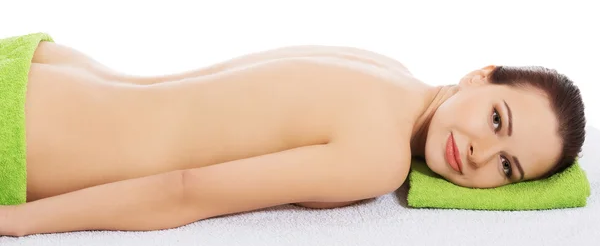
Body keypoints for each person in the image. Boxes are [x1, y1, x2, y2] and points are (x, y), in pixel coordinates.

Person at [0, 40, 586, 237]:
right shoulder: (378, 159)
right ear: (479, 76)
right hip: (36, 135)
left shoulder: (381, 64)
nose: (482, 155)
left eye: (508, 169)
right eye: (497, 120)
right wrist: (17, 222)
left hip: (48, 69)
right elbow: (187, 189)